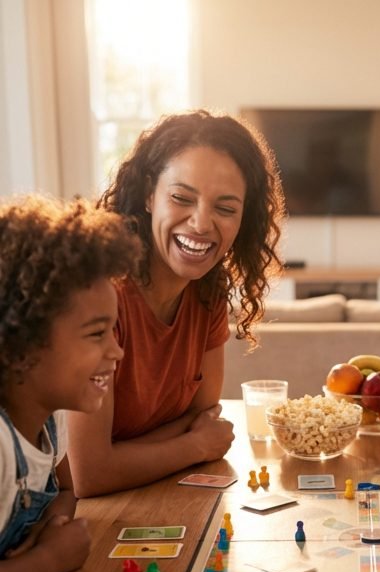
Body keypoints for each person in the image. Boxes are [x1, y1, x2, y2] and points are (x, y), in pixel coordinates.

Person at [67, 110, 284, 497]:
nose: (201, 224)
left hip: (158, 496)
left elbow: (203, 416)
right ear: (150, 195)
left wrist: (129, 454)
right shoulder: (99, 294)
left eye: (225, 208)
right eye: (182, 198)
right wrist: (193, 445)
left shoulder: (208, 293)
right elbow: (89, 474)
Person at [0, 196, 137, 572]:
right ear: (21, 345)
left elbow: (67, 488)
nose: (117, 352)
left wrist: (54, 522)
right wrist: (49, 558)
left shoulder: (51, 418)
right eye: (97, 334)